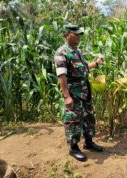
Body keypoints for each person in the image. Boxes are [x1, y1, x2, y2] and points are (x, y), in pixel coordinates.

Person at [54, 24, 104, 161]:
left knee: (88, 117)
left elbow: (84, 67)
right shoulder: (61, 53)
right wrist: (67, 97)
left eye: (79, 34)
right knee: (73, 120)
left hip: (84, 91)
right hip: (73, 93)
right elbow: (61, 76)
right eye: (75, 34)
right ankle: (73, 147)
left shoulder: (77, 51)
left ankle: (88, 142)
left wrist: (97, 63)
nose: (78, 37)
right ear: (67, 35)